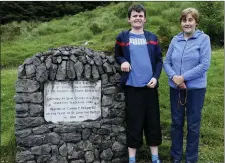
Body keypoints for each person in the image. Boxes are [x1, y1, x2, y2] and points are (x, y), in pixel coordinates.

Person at [114, 4, 163, 163]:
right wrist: (123, 61)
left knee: (153, 122)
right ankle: (132, 159)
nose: (138, 18)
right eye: (134, 15)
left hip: (150, 87)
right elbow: (117, 55)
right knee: (134, 123)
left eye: (140, 15)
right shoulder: (122, 37)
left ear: (145, 19)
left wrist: (155, 78)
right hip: (132, 88)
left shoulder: (152, 38)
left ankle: (155, 157)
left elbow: (158, 61)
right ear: (129, 19)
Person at [163, 8, 211, 163]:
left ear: (196, 22)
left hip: (195, 89)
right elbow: (167, 62)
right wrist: (174, 77)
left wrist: (183, 77)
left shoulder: (203, 39)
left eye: (190, 20)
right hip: (175, 88)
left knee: (193, 125)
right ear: (181, 23)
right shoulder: (175, 40)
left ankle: (191, 159)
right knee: (176, 123)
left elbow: (204, 65)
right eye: (184, 20)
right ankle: (175, 157)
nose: (187, 23)